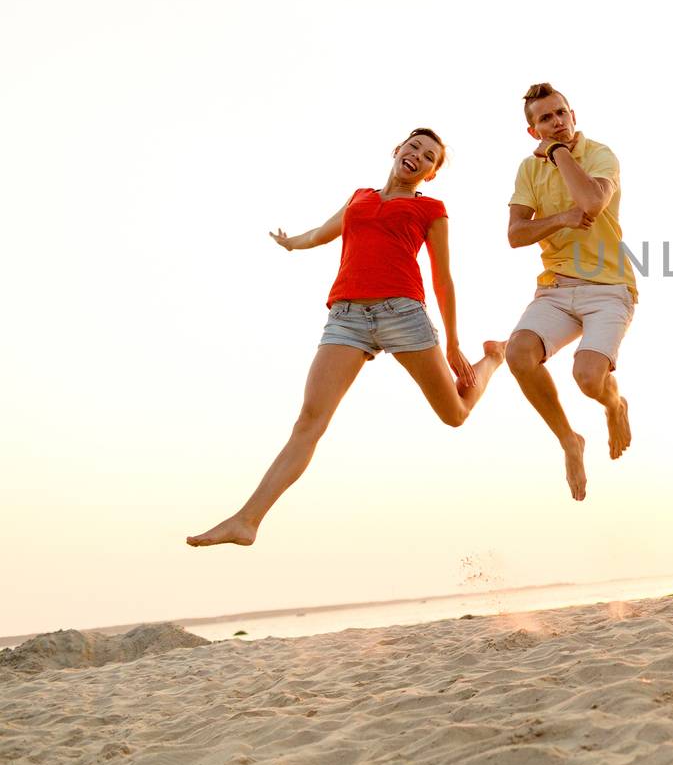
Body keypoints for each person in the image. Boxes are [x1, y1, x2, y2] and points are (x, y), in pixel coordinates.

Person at [188, 128, 504, 547]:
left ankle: (494, 359)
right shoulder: (360, 197)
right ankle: (247, 521)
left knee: (455, 414)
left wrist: (452, 342)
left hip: (403, 313)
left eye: (429, 157)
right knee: (308, 421)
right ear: (397, 150)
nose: (418, 156)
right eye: (413, 147)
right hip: (346, 318)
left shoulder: (431, 209)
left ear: (429, 173)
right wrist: (290, 244)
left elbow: (442, 278)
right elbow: (322, 232)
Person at [504, 84, 636, 502]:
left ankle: (615, 404)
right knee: (517, 355)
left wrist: (559, 152)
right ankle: (569, 440)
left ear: (573, 115)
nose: (556, 122)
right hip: (556, 290)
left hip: (609, 289)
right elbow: (515, 234)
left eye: (561, 113)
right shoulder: (528, 170)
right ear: (533, 130)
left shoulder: (599, 154)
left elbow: (593, 203)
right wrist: (560, 217)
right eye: (545, 119)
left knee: (587, 378)